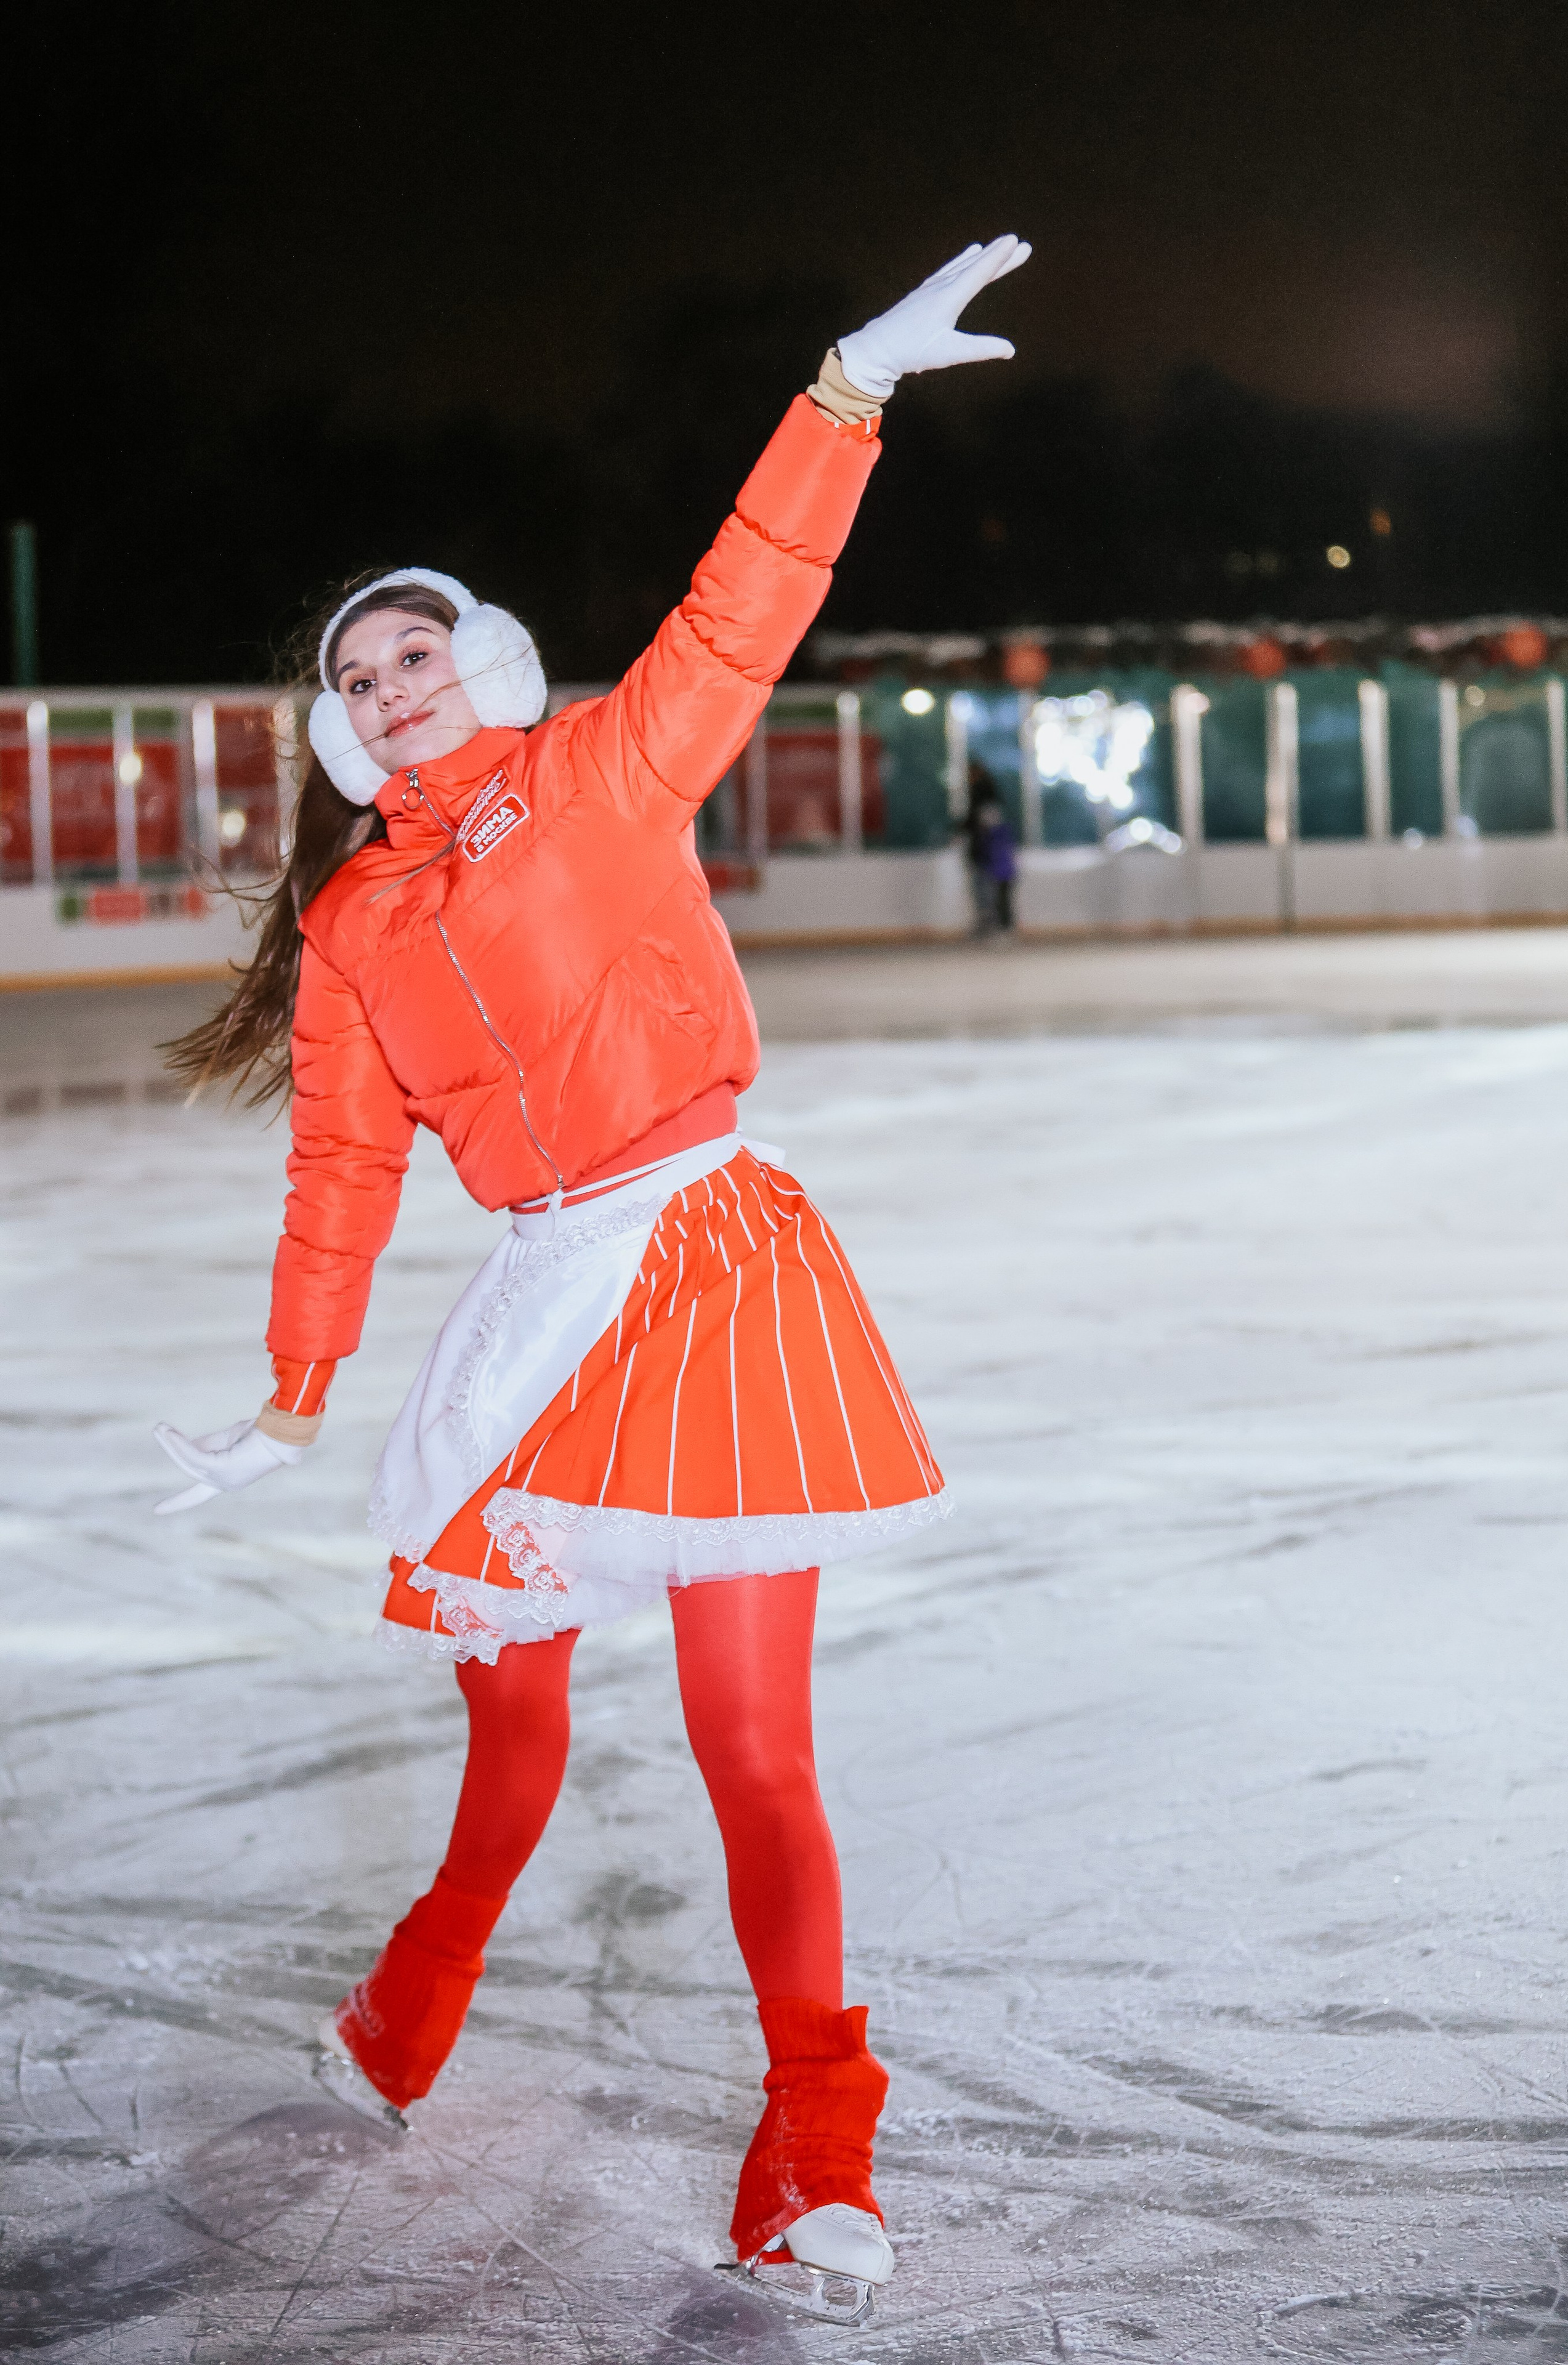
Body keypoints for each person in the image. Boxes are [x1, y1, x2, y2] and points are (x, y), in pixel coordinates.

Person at [157, 236, 1030, 2317]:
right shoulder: (357, 925)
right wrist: (297, 1385)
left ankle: (820, 2140)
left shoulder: (606, 771)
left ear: (486, 659)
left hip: (714, 1274)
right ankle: (414, 1996)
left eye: (416, 650)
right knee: (513, 1740)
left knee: (753, 1751)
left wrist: (842, 397)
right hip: (540, 1308)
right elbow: (346, 1161)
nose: (390, 685)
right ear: (343, 733)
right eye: (357, 679)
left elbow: (748, 600)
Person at [963, 758, 1018, 932]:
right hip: (988, 858)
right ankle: (993, 924)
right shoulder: (989, 804)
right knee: (988, 892)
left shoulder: (985, 803)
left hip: (990, 860)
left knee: (991, 893)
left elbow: (980, 826)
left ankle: (995, 925)